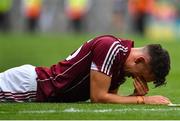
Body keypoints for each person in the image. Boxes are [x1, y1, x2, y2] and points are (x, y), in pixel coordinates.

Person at [0, 35, 171, 104]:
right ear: (139, 60)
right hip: (28, 86)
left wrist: (133, 97)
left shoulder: (120, 65)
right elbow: (98, 97)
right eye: (139, 76)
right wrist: (143, 100)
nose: (136, 80)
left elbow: (107, 100)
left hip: (35, 89)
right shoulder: (110, 47)